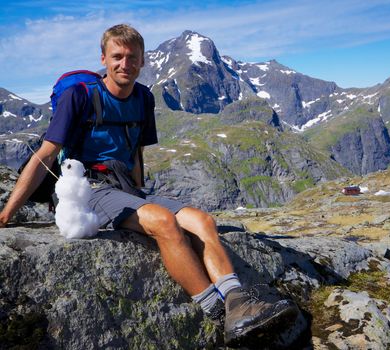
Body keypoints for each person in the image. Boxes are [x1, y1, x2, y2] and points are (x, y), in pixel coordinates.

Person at [0, 24, 298, 347]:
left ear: (142, 62)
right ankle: (217, 312)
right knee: (164, 222)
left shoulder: (143, 98)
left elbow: (136, 151)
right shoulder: (79, 97)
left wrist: (140, 193)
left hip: (126, 188)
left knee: (202, 222)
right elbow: (44, 156)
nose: (124, 64)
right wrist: (5, 216)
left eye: (132, 57)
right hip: (88, 191)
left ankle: (239, 303)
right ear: (103, 58)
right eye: (117, 56)